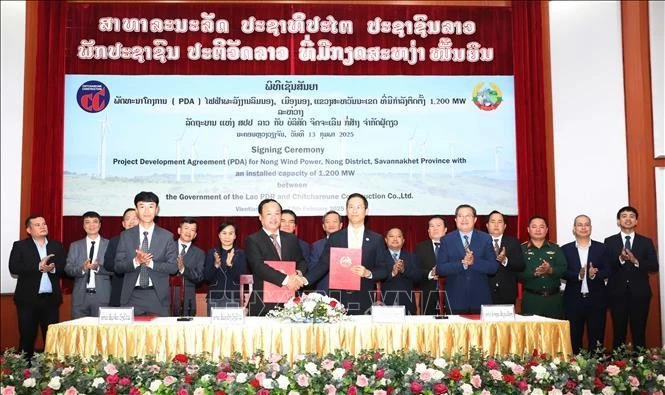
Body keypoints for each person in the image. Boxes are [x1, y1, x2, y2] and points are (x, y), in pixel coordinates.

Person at [305, 193, 393, 315]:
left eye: (358, 207)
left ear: (366, 211)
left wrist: (368, 273)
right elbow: (323, 264)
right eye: (351, 207)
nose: (354, 211)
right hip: (337, 298)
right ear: (346, 211)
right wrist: (304, 280)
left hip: (363, 297)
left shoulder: (376, 239)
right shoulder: (335, 237)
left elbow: (384, 270)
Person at [8, 215, 66, 360]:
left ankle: (53, 374)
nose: (43, 226)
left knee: (52, 339)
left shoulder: (56, 245)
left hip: (50, 301)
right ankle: (23, 373)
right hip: (28, 301)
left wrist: (52, 269)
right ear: (29, 229)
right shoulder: (20, 246)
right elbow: (14, 267)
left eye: (44, 223)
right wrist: (39, 267)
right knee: (27, 337)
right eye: (37, 224)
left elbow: (64, 268)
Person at [115, 191, 178, 316]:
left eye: (151, 206)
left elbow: (173, 267)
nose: (146, 211)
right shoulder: (126, 235)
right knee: (130, 336)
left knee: (160, 335)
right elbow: (118, 266)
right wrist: (136, 261)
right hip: (131, 296)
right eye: (142, 206)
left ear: (157, 210)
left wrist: (151, 263)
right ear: (136, 210)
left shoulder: (167, 236)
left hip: (157, 296)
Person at [604, 206, 659, 349]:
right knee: (618, 333)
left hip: (640, 294)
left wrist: (636, 261)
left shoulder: (646, 241)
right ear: (618, 221)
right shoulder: (609, 241)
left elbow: (654, 266)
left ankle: (640, 368)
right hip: (617, 294)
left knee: (639, 333)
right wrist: (620, 259)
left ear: (636, 221)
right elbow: (607, 266)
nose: (628, 218)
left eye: (631, 216)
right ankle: (616, 368)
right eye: (624, 216)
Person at [245, 199, 307, 316]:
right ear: (260, 217)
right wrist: (288, 280)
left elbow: (301, 261)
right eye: (269, 214)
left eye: (277, 213)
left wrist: (298, 273)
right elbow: (258, 267)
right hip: (264, 302)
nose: (274, 217)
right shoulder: (253, 240)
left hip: (290, 301)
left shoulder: (291, 238)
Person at [561, 214, 610, 354]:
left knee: (597, 339)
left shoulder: (602, 248)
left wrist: (595, 274)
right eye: (579, 224)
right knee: (574, 338)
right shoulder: (565, 249)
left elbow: (608, 270)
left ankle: (597, 371)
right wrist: (578, 275)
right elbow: (562, 272)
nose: (583, 227)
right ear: (574, 229)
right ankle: (575, 371)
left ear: (591, 228)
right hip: (573, 301)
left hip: (597, 300)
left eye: (586, 224)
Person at [435, 204, 497, 314]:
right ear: (455, 219)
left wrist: (474, 262)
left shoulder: (485, 238)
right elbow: (440, 269)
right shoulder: (446, 240)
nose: (464, 219)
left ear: (475, 219)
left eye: (468, 216)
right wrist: (462, 264)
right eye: (460, 216)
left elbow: (493, 267)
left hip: (480, 298)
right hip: (455, 299)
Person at [64, 211, 111, 318]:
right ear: (83, 226)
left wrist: (98, 268)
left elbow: (115, 269)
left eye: (95, 222)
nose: (91, 225)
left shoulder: (109, 244)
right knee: (79, 332)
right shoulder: (75, 245)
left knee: (101, 333)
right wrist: (82, 268)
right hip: (80, 296)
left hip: (102, 296)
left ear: (100, 225)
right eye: (87, 222)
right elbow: (68, 269)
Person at [519, 216, 567, 319]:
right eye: (534, 226)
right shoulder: (521, 249)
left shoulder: (556, 248)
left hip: (554, 300)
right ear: (528, 229)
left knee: (555, 334)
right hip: (531, 300)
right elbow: (517, 273)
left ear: (546, 230)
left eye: (541, 227)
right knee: (532, 334)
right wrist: (534, 273)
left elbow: (563, 269)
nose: (538, 230)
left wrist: (550, 270)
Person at [204, 221, 249, 314]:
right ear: (219, 235)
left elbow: (242, 278)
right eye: (224, 233)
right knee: (214, 328)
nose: (227, 237)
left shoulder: (241, 253)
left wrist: (230, 265)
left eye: (231, 233)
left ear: (235, 236)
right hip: (215, 297)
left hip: (234, 297)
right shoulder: (212, 252)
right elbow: (207, 277)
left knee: (234, 328)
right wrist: (215, 266)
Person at [485, 210, 525, 305]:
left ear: (505, 226)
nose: (496, 225)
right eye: (493, 222)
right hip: (485, 291)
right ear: (487, 225)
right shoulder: (481, 242)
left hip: (507, 292)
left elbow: (520, 265)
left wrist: (505, 260)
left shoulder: (513, 242)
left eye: (500, 222)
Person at [103, 208, 139, 307]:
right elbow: (108, 264)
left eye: (135, 218)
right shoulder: (115, 241)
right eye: (128, 219)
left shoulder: (147, 240)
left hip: (142, 291)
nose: (131, 222)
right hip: (120, 288)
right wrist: (127, 265)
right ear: (123, 223)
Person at [381, 227, 421, 314]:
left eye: (399, 236)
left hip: (407, 304)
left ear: (403, 240)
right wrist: (392, 273)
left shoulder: (412, 257)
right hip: (385, 304)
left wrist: (404, 270)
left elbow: (418, 278)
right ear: (386, 240)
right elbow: (374, 278)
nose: (395, 239)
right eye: (391, 236)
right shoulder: (379, 257)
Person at [172, 217, 205, 316]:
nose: (188, 232)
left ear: (195, 235)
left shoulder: (200, 253)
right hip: (165, 299)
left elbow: (199, 277)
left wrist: (183, 269)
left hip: (187, 301)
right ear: (179, 230)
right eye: (186, 228)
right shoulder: (167, 247)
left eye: (192, 230)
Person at [414, 215, 447, 315]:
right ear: (428, 231)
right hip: (428, 292)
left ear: (445, 229)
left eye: (438, 225)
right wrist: (430, 273)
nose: (435, 228)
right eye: (432, 226)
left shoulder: (453, 246)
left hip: (450, 292)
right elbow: (416, 271)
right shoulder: (420, 247)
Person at [308, 210, 344, 291]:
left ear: (341, 225)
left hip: (345, 289)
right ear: (323, 226)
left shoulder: (349, 244)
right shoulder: (317, 246)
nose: (331, 224)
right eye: (327, 222)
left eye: (335, 221)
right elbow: (313, 268)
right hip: (324, 289)